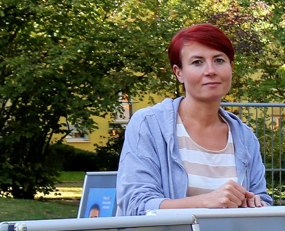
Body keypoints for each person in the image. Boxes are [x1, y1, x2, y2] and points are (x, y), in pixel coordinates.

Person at [116, 24, 273, 213]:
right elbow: (135, 205)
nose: (210, 70)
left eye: (219, 60)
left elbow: (262, 201)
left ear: (231, 68)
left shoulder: (245, 136)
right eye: (197, 62)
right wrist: (206, 202)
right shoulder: (149, 124)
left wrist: (255, 203)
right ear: (179, 73)